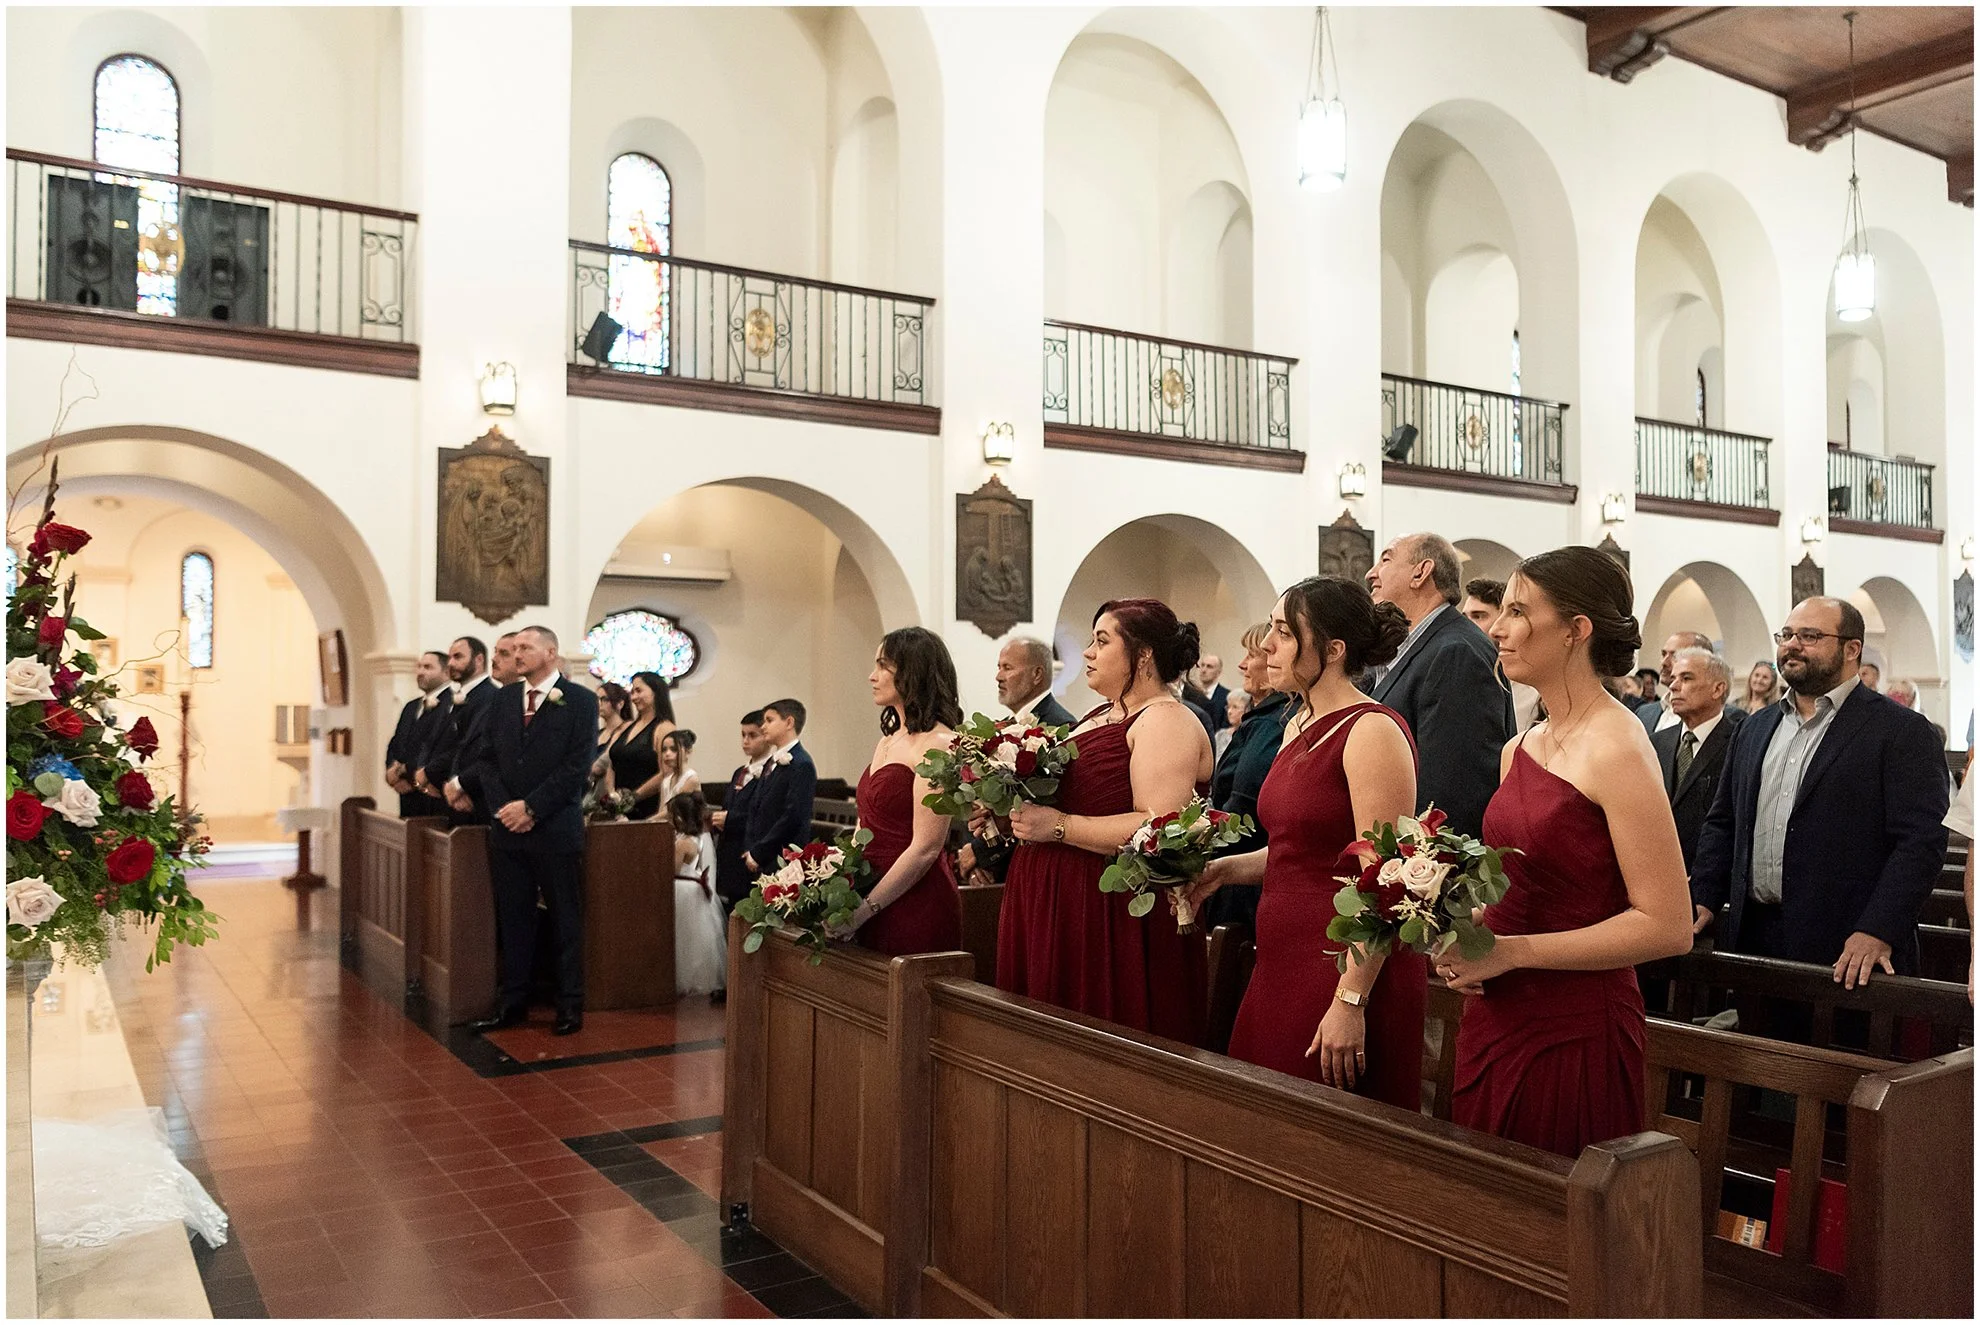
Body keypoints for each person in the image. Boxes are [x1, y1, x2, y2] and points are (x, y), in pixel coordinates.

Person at [1440, 546, 1693, 1158]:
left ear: (1577, 630)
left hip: (1574, 1020)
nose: (1496, 628)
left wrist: (1512, 953)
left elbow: (1668, 926)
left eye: (1518, 611)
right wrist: (1462, 928)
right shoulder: (1520, 746)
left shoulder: (1617, 746)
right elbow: (1522, 885)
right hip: (1497, 1012)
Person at [1188, 578, 1422, 1107]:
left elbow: (1386, 880)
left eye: (1284, 633)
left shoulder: (1371, 730)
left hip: (1341, 965)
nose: (1266, 645)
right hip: (1281, 959)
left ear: (1334, 651)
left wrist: (1352, 998)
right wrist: (1227, 869)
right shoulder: (1298, 723)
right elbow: (1303, 852)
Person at [1689, 597, 1949, 983]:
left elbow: (1921, 842)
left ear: (1852, 649)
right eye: (1787, 635)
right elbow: (1724, 821)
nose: (1792, 645)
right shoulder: (1754, 728)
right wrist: (1705, 895)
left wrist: (1878, 928)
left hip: (1850, 948)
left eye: (1810, 636)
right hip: (1754, 938)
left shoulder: (1902, 730)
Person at [996, 599, 1214, 1046]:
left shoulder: (1165, 720)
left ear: (1144, 654)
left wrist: (1057, 826)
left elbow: (1157, 829)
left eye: (1101, 641)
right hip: (1057, 902)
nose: (1088, 654)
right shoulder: (1101, 715)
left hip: (1109, 917)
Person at [465, 626, 600, 1037]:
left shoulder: (580, 701)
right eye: (515, 647)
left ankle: (569, 1005)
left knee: (563, 918)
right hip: (508, 828)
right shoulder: (504, 698)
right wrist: (505, 808)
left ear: (551, 653)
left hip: (554, 827)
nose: (517, 654)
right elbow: (485, 760)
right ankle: (513, 1003)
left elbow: (576, 766)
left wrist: (533, 808)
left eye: (526, 647)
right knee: (514, 918)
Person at [1365, 533, 1515, 838]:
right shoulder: (1418, 646)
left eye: (1386, 559)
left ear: (1421, 572)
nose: (1371, 573)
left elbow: (1452, 793)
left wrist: (1420, 876)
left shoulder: (1456, 652)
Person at [833, 627, 964, 956]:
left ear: (912, 671)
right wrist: (839, 882)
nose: (871, 676)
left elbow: (925, 849)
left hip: (914, 900)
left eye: (882, 666)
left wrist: (863, 912)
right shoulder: (888, 740)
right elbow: (865, 825)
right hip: (869, 889)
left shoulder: (940, 744)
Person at [958, 637, 1077, 887]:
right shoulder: (1004, 725)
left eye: (1007, 668)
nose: (998, 677)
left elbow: (1040, 808)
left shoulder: (1060, 726)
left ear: (1037, 674)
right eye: (998, 667)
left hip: (1038, 870)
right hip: (1003, 867)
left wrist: (981, 853)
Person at [1201, 621, 1291, 932]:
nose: (1242, 664)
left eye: (1252, 654)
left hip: (1244, 878)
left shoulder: (1272, 724)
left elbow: (1244, 808)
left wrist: (1190, 847)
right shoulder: (1262, 718)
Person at [1651, 646, 1744, 870]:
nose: (1673, 686)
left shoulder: (1738, 742)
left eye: (1686, 678)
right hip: (1657, 872)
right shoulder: (1657, 742)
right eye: (1673, 678)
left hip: (1710, 880)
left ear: (1717, 689)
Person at [414, 635, 495, 820]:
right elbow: (435, 740)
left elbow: (470, 747)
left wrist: (435, 775)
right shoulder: (455, 697)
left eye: (458, 657)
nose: (451, 663)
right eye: (450, 657)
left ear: (479, 660)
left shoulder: (488, 697)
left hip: (469, 797)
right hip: (444, 790)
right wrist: (425, 773)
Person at [743, 698, 818, 880]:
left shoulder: (801, 764)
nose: (763, 727)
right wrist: (752, 848)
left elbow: (793, 816)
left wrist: (760, 851)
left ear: (789, 722)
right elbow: (757, 806)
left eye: (769, 720)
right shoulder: (772, 761)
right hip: (763, 857)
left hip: (783, 859)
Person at [1460, 577, 1541, 731]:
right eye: (1465, 618)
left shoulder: (1533, 689)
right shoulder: (1464, 677)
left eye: (1478, 616)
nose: (1468, 626)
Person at [668, 793, 726, 997]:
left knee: (683, 940)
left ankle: (683, 979)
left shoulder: (683, 843)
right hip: (693, 892)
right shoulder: (699, 839)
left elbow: (672, 869)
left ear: (680, 818)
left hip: (682, 891)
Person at [713, 710, 771, 909]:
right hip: (729, 851)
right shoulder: (740, 771)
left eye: (752, 735)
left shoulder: (770, 773)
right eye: (743, 735)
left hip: (749, 851)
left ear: (766, 735)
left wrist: (729, 820)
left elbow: (764, 813)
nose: (746, 741)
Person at [385, 650, 452, 817]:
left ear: (446, 672)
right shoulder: (411, 707)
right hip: (406, 797)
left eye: (428, 667)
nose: (421, 672)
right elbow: (396, 743)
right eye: (419, 667)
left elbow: (439, 748)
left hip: (432, 795)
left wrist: (408, 776)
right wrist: (391, 772)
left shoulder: (452, 704)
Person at [602, 671, 676, 820]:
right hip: (619, 811)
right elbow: (612, 763)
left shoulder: (664, 728)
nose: (633, 697)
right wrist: (613, 797)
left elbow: (667, 772)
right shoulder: (627, 727)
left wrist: (633, 797)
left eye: (639, 691)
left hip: (648, 809)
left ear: (656, 692)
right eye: (632, 691)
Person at [1635, 632, 1713, 737]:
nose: (1664, 662)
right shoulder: (1644, 713)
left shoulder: (1719, 717)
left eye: (1675, 656)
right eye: (1663, 654)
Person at [657, 728, 701, 807]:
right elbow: (662, 810)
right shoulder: (666, 782)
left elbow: (672, 810)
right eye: (664, 750)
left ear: (688, 752)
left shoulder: (691, 779)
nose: (667, 754)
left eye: (674, 749)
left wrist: (648, 820)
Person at [1194, 655, 1231, 732]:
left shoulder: (1226, 697)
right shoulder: (1191, 694)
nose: (1203, 670)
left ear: (1219, 672)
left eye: (1209, 667)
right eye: (1202, 665)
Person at [1213, 691, 1249, 762]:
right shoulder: (1220, 735)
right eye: (1228, 707)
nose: (1229, 711)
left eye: (1235, 707)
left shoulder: (1250, 735)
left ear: (1247, 710)